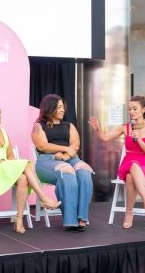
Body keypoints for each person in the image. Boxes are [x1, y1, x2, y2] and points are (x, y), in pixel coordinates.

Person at [0, 101, 61, 234]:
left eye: (0, 112)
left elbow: (10, 154)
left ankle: (19, 219)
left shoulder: (3, 131)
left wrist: (13, 166)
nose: (0, 115)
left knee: (23, 178)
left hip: (4, 167)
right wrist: (4, 163)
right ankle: (43, 198)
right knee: (25, 163)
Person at [88, 95, 145, 229]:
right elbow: (105, 138)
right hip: (127, 163)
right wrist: (98, 129)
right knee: (132, 166)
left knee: (131, 176)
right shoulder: (124, 127)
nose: (131, 112)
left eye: (135, 108)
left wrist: (140, 139)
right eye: (130, 109)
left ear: (143, 109)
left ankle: (129, 213)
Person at [31, 94, 94, 231]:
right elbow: (43, 146)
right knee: (67, 170)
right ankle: (70, 220)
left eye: (63, 107)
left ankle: (82, 217)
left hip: (69, 158)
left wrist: (65, 155)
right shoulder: (38, 126)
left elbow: (75, 145)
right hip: (47, 161)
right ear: (50, 108)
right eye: (59, 107)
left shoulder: (69, 126)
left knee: (84, 171)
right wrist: (64, 149)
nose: (62, 110)